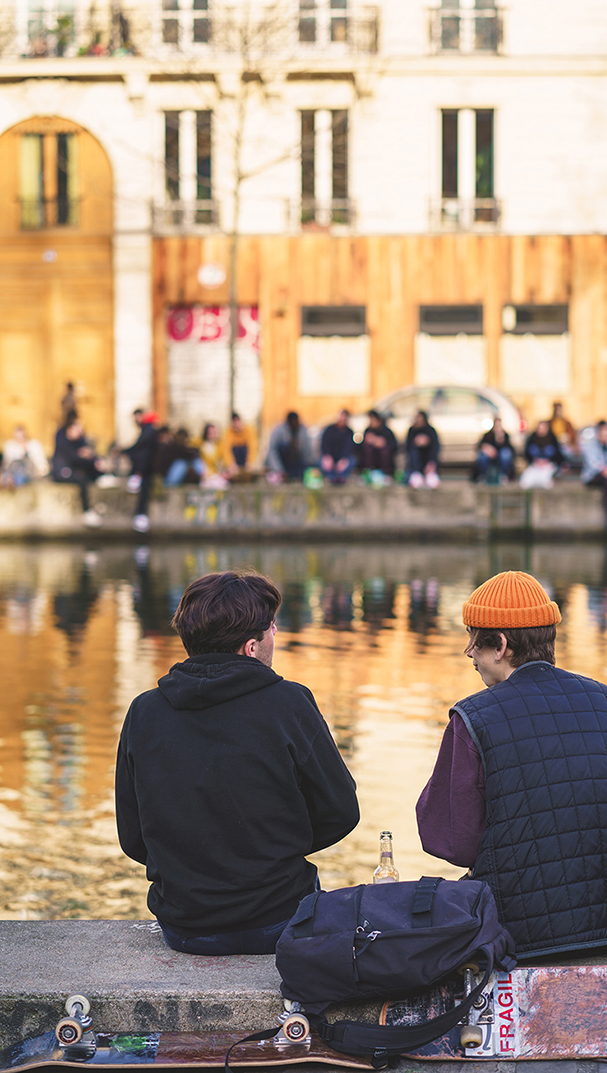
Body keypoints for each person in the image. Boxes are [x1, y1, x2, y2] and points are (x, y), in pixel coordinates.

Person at [416, 570, 607, 960]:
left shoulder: (473, 717)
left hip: (527, 928)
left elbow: (452, 840)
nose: (469, 652)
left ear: (500, 644)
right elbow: (606, 806)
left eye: (473, 639)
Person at [115, 569, 359, 955]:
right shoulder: (289, 703)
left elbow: (132, 835)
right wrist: (271, 847)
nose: (275, 636)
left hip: (185, 929)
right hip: (279, 918)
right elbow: (341, 810)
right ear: (251, 646)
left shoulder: (144, 712)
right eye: (271, 629)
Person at [51, 416, 104, 527]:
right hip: (62, 472)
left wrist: (93, 460)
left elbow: (86, 455)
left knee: (87, 474)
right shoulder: (63, 441)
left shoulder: (79, 441)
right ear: (70, 429)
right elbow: (75, 458)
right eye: (77, 429)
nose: (80, 432)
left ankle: (102, 478)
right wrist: (86, 457)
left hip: (73, 469)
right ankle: (86, 512)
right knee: (82, 479)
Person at [122, 409, 160, 533]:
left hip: (145, 467)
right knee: (145, 487)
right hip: (146, 467)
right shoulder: (150, 432)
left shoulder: (148, 431)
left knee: (145, 486)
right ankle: (140, 514)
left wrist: (124, 451)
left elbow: (138, 446)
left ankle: (136, 476)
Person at [266, 412, 313, 484]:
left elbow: (307, 452)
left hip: (297, 462)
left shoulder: (303, 431)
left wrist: (308, 467)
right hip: (283, 463)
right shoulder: (279, 432)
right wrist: (278, 470)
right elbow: (272, 452)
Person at [519, 421, 565, 489]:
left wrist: (547, 461)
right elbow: (527, 453)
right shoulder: (532, 439)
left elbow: (558, 455)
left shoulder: (552, 439)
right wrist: (535, 461)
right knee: (525, 482)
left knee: (546, 482)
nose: (541, 430)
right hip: (535, 465)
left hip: (549, 465)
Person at [470, 417, 515, 484]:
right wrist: (486, 448)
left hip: (500, 458)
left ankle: (504, 476)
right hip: (489, 458)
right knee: (482, 457)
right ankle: (482, 476)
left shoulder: (505, 436)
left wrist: (501, 441)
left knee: (505, 454)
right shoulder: (488, 435)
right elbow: (479, 445)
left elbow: (511, 449)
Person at [320, 409, 358, 485]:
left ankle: (340, 478)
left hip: (343, 458)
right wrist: (328, 456)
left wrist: (343, 460)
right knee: (321, 462)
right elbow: (324, 444)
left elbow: (349, 447)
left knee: (352, 461)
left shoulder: (349, 432)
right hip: (330, 457)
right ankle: (331, 478)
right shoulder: (329, 430)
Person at [359, 410, 398, 482]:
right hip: (371, 461)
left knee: (385, 450)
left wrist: (382, 443)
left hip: (384, 462)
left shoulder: (386, 431)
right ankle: (368, 472)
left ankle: (385, 473)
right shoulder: (368, 431)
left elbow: (394, 446)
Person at [405, 410, 440, 488]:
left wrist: (431, 464)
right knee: (416, 482)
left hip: (429, 466)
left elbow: (435, 449)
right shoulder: (412, 431)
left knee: (432, 482)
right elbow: (407, 448)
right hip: (415, 468)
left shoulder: (430, 431)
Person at [220, 413, 258, 480]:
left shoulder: (249, 430)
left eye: (238, 422)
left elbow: (253, 447)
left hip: (245, 457)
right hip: (235, 459)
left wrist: (250, 461)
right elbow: (225, 449)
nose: (237, 425)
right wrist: (230, 464)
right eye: (235, 423)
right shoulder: (229, 432)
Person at [200, 423, 230, 488]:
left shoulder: (219, 446)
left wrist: (225, 471)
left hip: (218, 475)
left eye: (214, 432)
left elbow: (224, 460)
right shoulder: (202, 445)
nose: (213, 434)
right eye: (210, 432)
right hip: (207, 476)